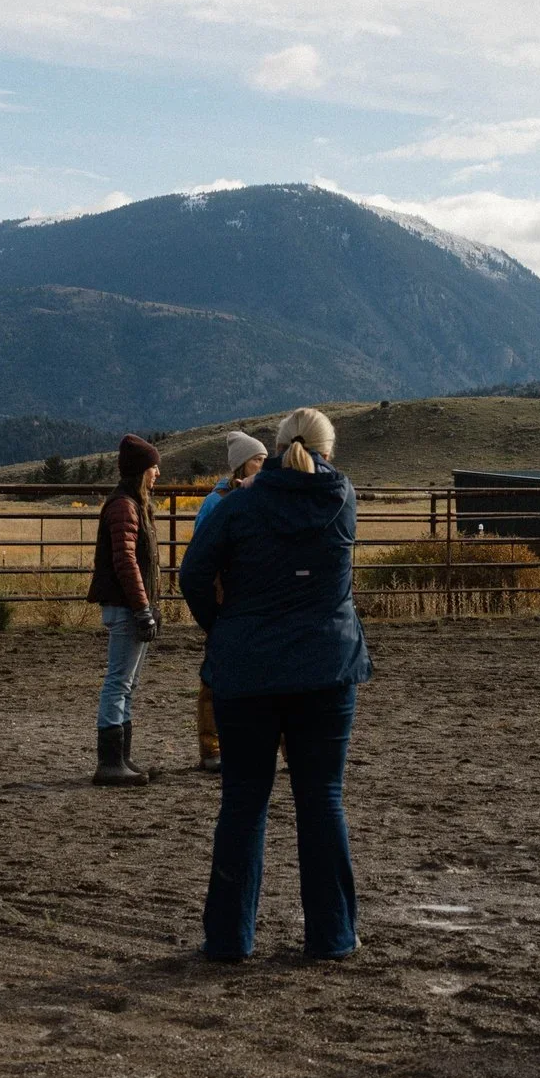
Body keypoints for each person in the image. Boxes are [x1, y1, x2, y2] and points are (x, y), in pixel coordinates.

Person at [178, 407, 370, 962]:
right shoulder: (342, 502)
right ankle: (332, 936)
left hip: (247, 673)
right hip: (327, 668)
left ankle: (229, 938)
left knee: (243, 801)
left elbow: (193, 573)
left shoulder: (238, 506)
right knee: (322, 799)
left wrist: (226, 628)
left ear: (278, 445)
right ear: (328, 451)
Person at [178, 433, 267, 774]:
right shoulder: (217, 503)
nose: (263, 464)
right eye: (257, 459)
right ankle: (212, 747)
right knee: (216, 677)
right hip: (228, 600)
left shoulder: (249, 497)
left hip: (246, 599)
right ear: (242, 463)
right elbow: (201, 560)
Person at [87, 434, 163, 789]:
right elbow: (125, 560)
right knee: (118, 683)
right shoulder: (124, 507)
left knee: (126, 684)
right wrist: (142, 607)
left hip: (129, 606)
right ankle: (110, 762)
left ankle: (121, 757)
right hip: (126, 607)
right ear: (139, 471)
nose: (157, 473)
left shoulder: (130, 504)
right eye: (152, 467)